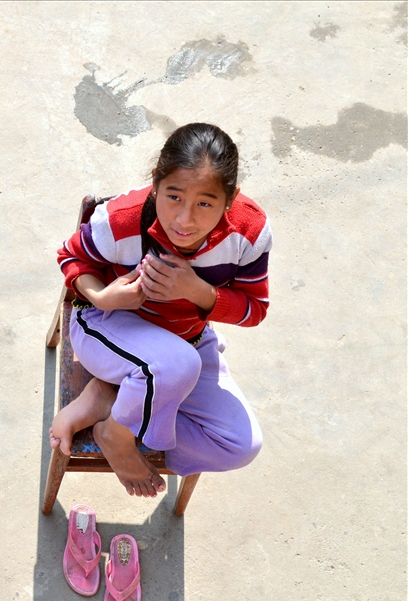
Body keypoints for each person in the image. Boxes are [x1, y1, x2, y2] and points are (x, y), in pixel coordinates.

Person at [50, 123, 271, 498]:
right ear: (156, 181)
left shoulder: (248, 234)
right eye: (174, 196)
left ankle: (114, 403)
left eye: (205, 203)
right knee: (175, 365)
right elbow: (71, 257)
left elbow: (254, 310)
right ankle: (116, 437)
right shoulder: (121, 220)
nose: (185, 219)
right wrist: (104, 297)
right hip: (106, 325)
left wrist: (199, 291)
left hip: (188, 338)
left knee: (240, 445)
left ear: (229, 199)